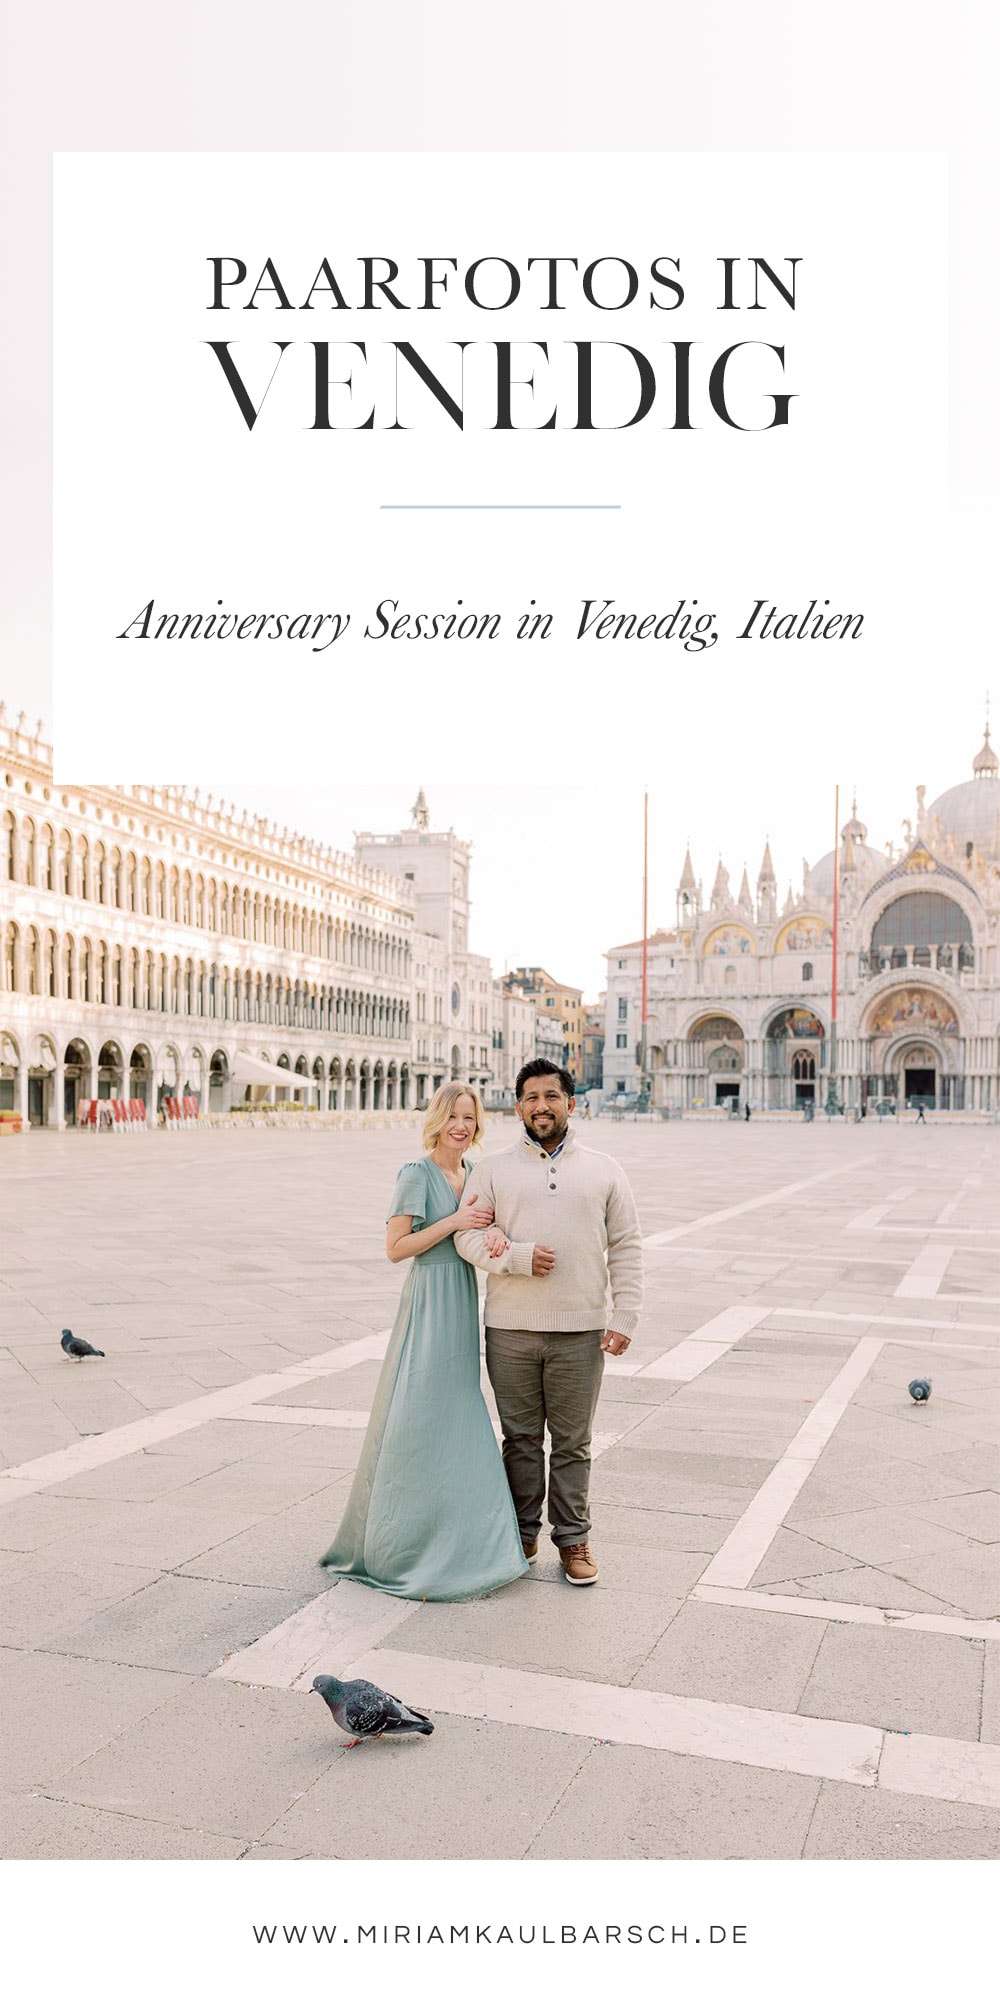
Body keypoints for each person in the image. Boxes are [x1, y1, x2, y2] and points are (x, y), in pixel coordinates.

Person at [319, 1084, 529, 1600]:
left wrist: (495, 1235)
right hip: (430, 1296)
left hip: (461, 1296)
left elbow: (482, 1230)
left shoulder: (474, 1172)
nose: (461, 1125)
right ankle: (404, 1541)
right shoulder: (416, 1174)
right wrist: (454, 1221)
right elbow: (396, 1248)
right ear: (437, 1118)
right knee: (419, 1410)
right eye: (453, 1116)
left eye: (469, 1117)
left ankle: (459, 1538)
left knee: (456, 1411)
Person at [455, 1059, 643, 1587]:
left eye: (551, 1096)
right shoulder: (490, 1169)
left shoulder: (605, 1169)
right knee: (517, 1439)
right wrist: (513, 1257)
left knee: (572, 1442)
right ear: (518, 1107)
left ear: (571, 1103)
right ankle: (519, 1535)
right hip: (510, 1328)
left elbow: (627, 1244)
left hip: (580, 1329)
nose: (542, 1106)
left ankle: (573, 1539)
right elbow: (466, 1236)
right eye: (531, 1098)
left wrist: (625, 1313)